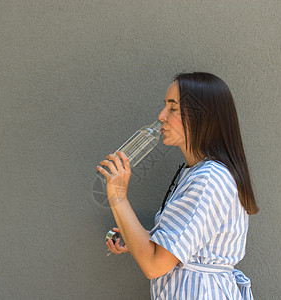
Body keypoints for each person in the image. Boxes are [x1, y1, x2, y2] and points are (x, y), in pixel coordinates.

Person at [97, 72, 259, 299]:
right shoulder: (197, 173)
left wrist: (118, 195)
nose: (161, 116)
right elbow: (180, 246)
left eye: (173, 108)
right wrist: (135, 238)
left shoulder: (209, 179)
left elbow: (154, 265)